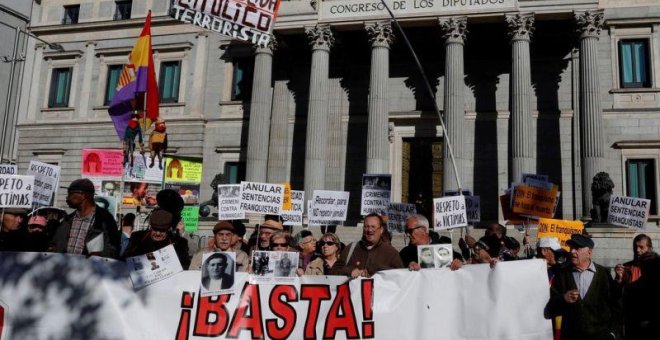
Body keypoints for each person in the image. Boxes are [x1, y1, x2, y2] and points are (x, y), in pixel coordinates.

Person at [544, 234, 622, 340]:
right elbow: (550, 306)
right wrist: (563, 298)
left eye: (577, 248)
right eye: (571, 248)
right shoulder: (562, 274)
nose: (572, 251)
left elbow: (616, 306)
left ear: (589, 253)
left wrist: (613, 333)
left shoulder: (603, 274)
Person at [51, 179, 121, 258]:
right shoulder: (67, 220)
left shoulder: (105, 220)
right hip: (65, 269)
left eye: (70, 194)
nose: (67, 198)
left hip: (91, 269)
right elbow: (55, 245)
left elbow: (113, 249)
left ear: (83, 195)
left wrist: (98, 256)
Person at [330, 213, 403, 277]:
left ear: (381, 230)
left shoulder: (391, 252)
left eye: (373, 227)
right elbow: (333, 271)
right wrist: (349, 271)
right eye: (366, 226)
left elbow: (401, 275)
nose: (369, 230)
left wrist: (377, 270)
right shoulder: (351, 249)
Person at [123, 209, 190, 269]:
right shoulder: (137, 238)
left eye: (162, 230)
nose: (158, 233)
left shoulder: (179, 243)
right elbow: (125, 259)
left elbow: (185, 266)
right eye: (155, 229)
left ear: (168, 229)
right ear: (151, 227)